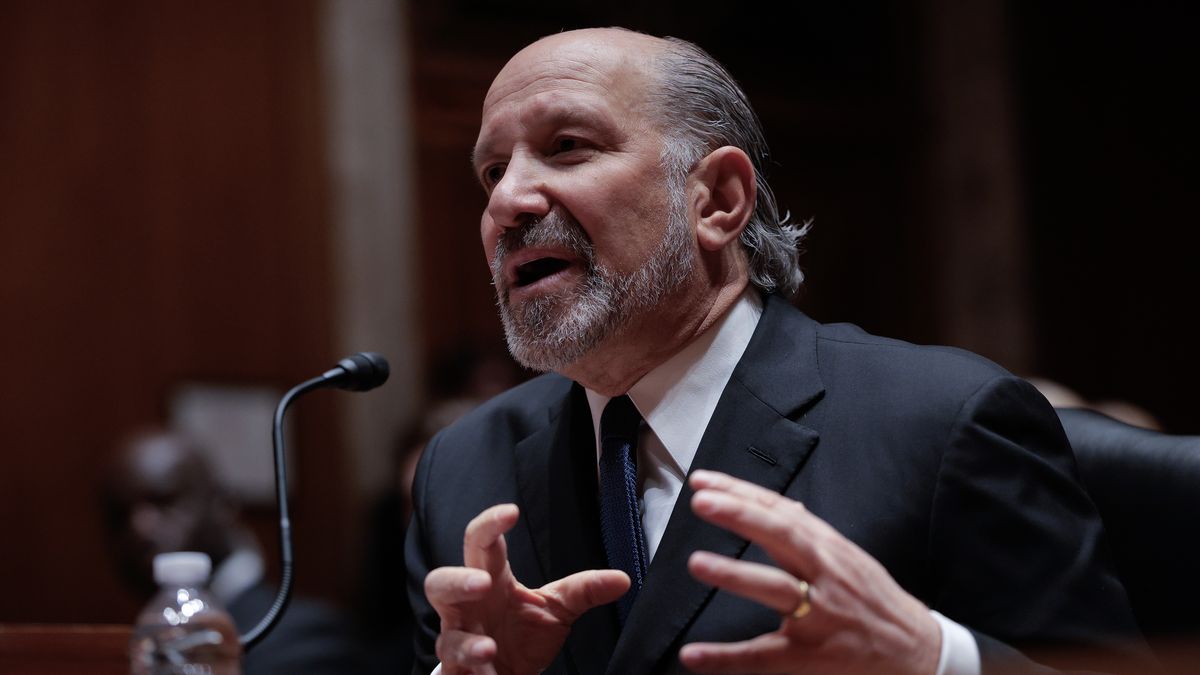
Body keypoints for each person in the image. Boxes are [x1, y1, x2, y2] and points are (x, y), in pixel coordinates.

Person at [405, 28, 1148, 675]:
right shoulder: (464, 467)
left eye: (567, 148)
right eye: (492, 171)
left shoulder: (941, 421)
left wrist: (933, 655)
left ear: (719, 200)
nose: (508, 202)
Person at [101, 428, 368, 674]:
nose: (140, 527)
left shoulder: (304, 635)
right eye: (119, 513)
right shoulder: (130, 641)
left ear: (223, 505)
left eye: (164, 501)